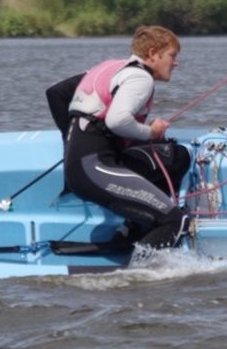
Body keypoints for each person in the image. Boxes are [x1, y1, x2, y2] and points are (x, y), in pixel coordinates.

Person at [48, 25, 191, 250]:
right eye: (172, 56)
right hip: (96, 168)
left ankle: (134, 232)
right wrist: (151, 132)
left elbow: (56, 92)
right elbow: (117, 121)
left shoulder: (111, 67)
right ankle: (144, 269)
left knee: (176, 156)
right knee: (175, 222)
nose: (175, 63)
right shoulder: (141, 78)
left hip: (84, 166)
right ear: (153, 53)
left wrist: (70, 143)